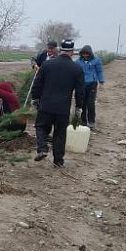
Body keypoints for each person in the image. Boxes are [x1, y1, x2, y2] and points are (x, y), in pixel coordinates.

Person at [31, 39, 85, 167]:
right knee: (60, 133)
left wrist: (35, 98)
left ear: (60, 50)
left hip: (46, 105)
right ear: (72, 52)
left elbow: (37, 83)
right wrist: (79, 107)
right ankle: (58, 161)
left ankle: (43, 148)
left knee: (41, 127)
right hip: (63, 108)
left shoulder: (47, 65)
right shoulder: (77, 69)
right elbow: (80, 91)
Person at [75, 45, 105, 129]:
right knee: (82, 103)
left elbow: (99, 71)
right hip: (81, 84)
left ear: (90, 53)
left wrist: (101, 82)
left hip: (92, 84)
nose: (85, 55)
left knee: (90, 103)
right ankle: (83, 121)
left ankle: (91, 121)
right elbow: (75, 72)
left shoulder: (96, 60)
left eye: (87, 54)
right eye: (83, 54)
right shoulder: (78, 62)